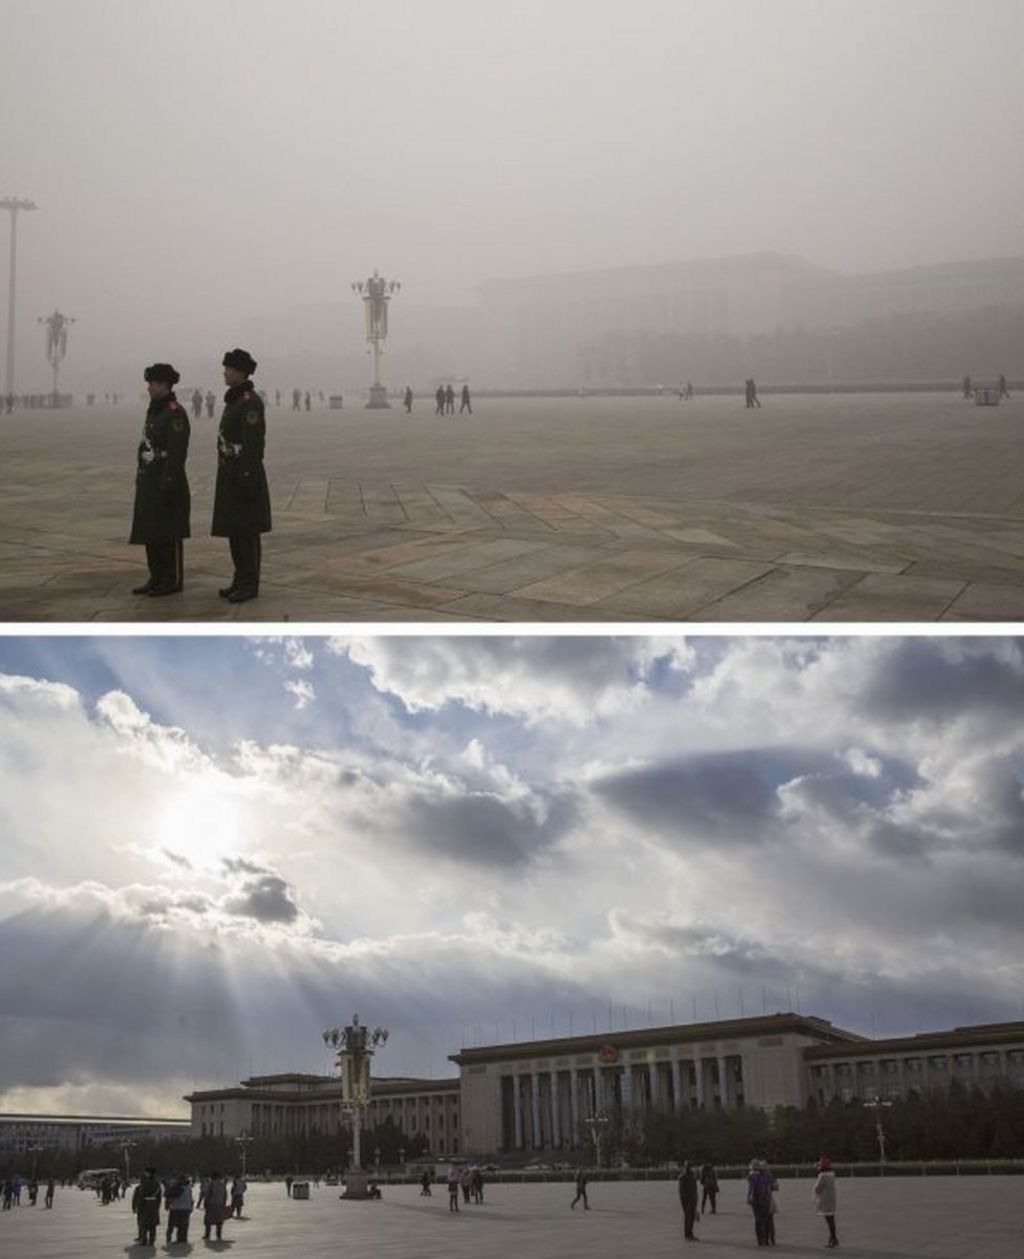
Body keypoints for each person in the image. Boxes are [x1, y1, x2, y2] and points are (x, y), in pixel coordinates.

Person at [212, 347, 272, 603]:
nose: (224, 373)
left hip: (244, 474)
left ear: (240, 372)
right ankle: (239, 578)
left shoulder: (249, 402)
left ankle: (250, 583)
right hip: (231, 472)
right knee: (235, 531)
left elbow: (253, 444)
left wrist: (246, 476)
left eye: (229, 369)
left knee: (246, 532)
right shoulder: (235, 399)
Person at [129, 362, 190, 597]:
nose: (150, 388)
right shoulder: (156, 410)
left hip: (166, 480)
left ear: (165, 385)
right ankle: (155, 576)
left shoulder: (174, 412)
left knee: (167, 533)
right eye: (149, 384)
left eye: (153, 384)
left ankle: (170, 579)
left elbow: (177, 454)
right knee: (151, 532)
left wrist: (168, 482)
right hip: (150, 480)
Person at [132, 1165, 162, 1247]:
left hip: (145, 1205)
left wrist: (139, 1206)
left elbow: (141, 1196)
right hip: (154, 1205)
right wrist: (157, 1206)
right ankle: (152, 1240)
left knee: (144, 1224)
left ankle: (144, 1240)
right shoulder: (157, 1184)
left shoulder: (145, 1183)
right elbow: (159, 1197)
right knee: (152, 1225)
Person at [813, 1155, 839, 1248]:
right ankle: (833, 1238)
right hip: (832, 1199)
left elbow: (817, 1188)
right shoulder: (832, 1174)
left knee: (829, 1221)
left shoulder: (822, 1176)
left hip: (825, 1200)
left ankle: (833, 1239)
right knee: (831, 1219)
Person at [747, 1158, 773, 1246]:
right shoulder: (765, 1174)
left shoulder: (752, 1176)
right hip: (765, 1199)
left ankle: (760, 1240)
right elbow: (771, 1184)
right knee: (765, 1220)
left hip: (756, 1200)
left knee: (758, 1221)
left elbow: (751, 1189)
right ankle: (766, 1239)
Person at [165, 1174, 193, 1245]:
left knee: (171, 1225)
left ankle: (169, 1239)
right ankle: (182, 1239)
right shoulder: (188, 1188)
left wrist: (167, 1204)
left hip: (176, 1208)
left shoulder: (178, 1187)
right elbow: (191, 1199)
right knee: (183, 1225)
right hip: (186, 1209)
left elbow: (170, 1196)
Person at [201, 1170, 228, 1241]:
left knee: (208, 1221)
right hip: (220, 1204)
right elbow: (225, 1195)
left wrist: (206, 1202)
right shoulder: (223, 1184)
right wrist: (224, 1203)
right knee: (219, 1221)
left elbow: (209, 1194)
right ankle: (218, 1235)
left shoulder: (211, 1184)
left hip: (211, 1204)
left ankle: (207, 1235)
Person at [677, 1159, 700, 1241]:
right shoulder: (683, 1177)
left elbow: (695, 1188)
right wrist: (686, 1201)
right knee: (688, 1217)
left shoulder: (692, 1175)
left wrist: (696, 1197)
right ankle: (688, 1234)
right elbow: (681, 1191)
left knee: (692, 1217)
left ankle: (690, 1233)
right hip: (687, 1200)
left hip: (693, 1199)